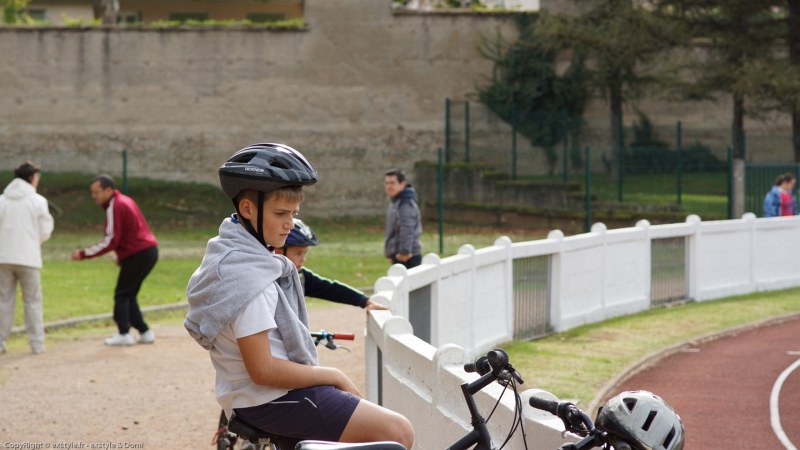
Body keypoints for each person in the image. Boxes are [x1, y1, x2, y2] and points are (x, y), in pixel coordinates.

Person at [185, 143, 414, 450]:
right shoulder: (249, 280)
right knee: (398, 432)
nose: (290, 223)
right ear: (248, 209)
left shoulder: (231, 257)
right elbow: (263, 369)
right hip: (270, 399)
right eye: (281, 213)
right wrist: (331, 374)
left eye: (293, 213)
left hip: (250, 397)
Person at [70, 174, 159, 346]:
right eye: (92, 192)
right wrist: (122, 255)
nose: (94, 196)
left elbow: (111, 240)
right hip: (148, 251)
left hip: (138, 253)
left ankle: (123, 333)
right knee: (129, 293)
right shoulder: (124, 200)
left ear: (108, 190)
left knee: (122, 294)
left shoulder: (114, 205)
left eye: (96, 192)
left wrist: (83, 254)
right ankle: (144, 331)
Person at [276, 218, 389, 313]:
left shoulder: (300, 276)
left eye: (305, 253)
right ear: (278, 252)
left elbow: (330, 289)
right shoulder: (270, 279)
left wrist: (365, 301)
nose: (303, 260)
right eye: (298, 253)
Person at [0, 161, 54, 355]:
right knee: (32, 301)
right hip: (28, 258)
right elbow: (45, 231)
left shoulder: (2, 201)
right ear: (31, 178)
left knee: (4, 301)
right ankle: (37, 343)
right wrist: (32, 242)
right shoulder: (38, 201)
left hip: (4, 257)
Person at [383, 169, 422, 269]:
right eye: (387, 183)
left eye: (392, 183)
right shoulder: (396, 202)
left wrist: (405, 252)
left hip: (407, 257)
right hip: (398, 255)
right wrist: (390, 253)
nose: (389, 186)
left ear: (403, 184)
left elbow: (407, 228)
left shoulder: (405, 203)